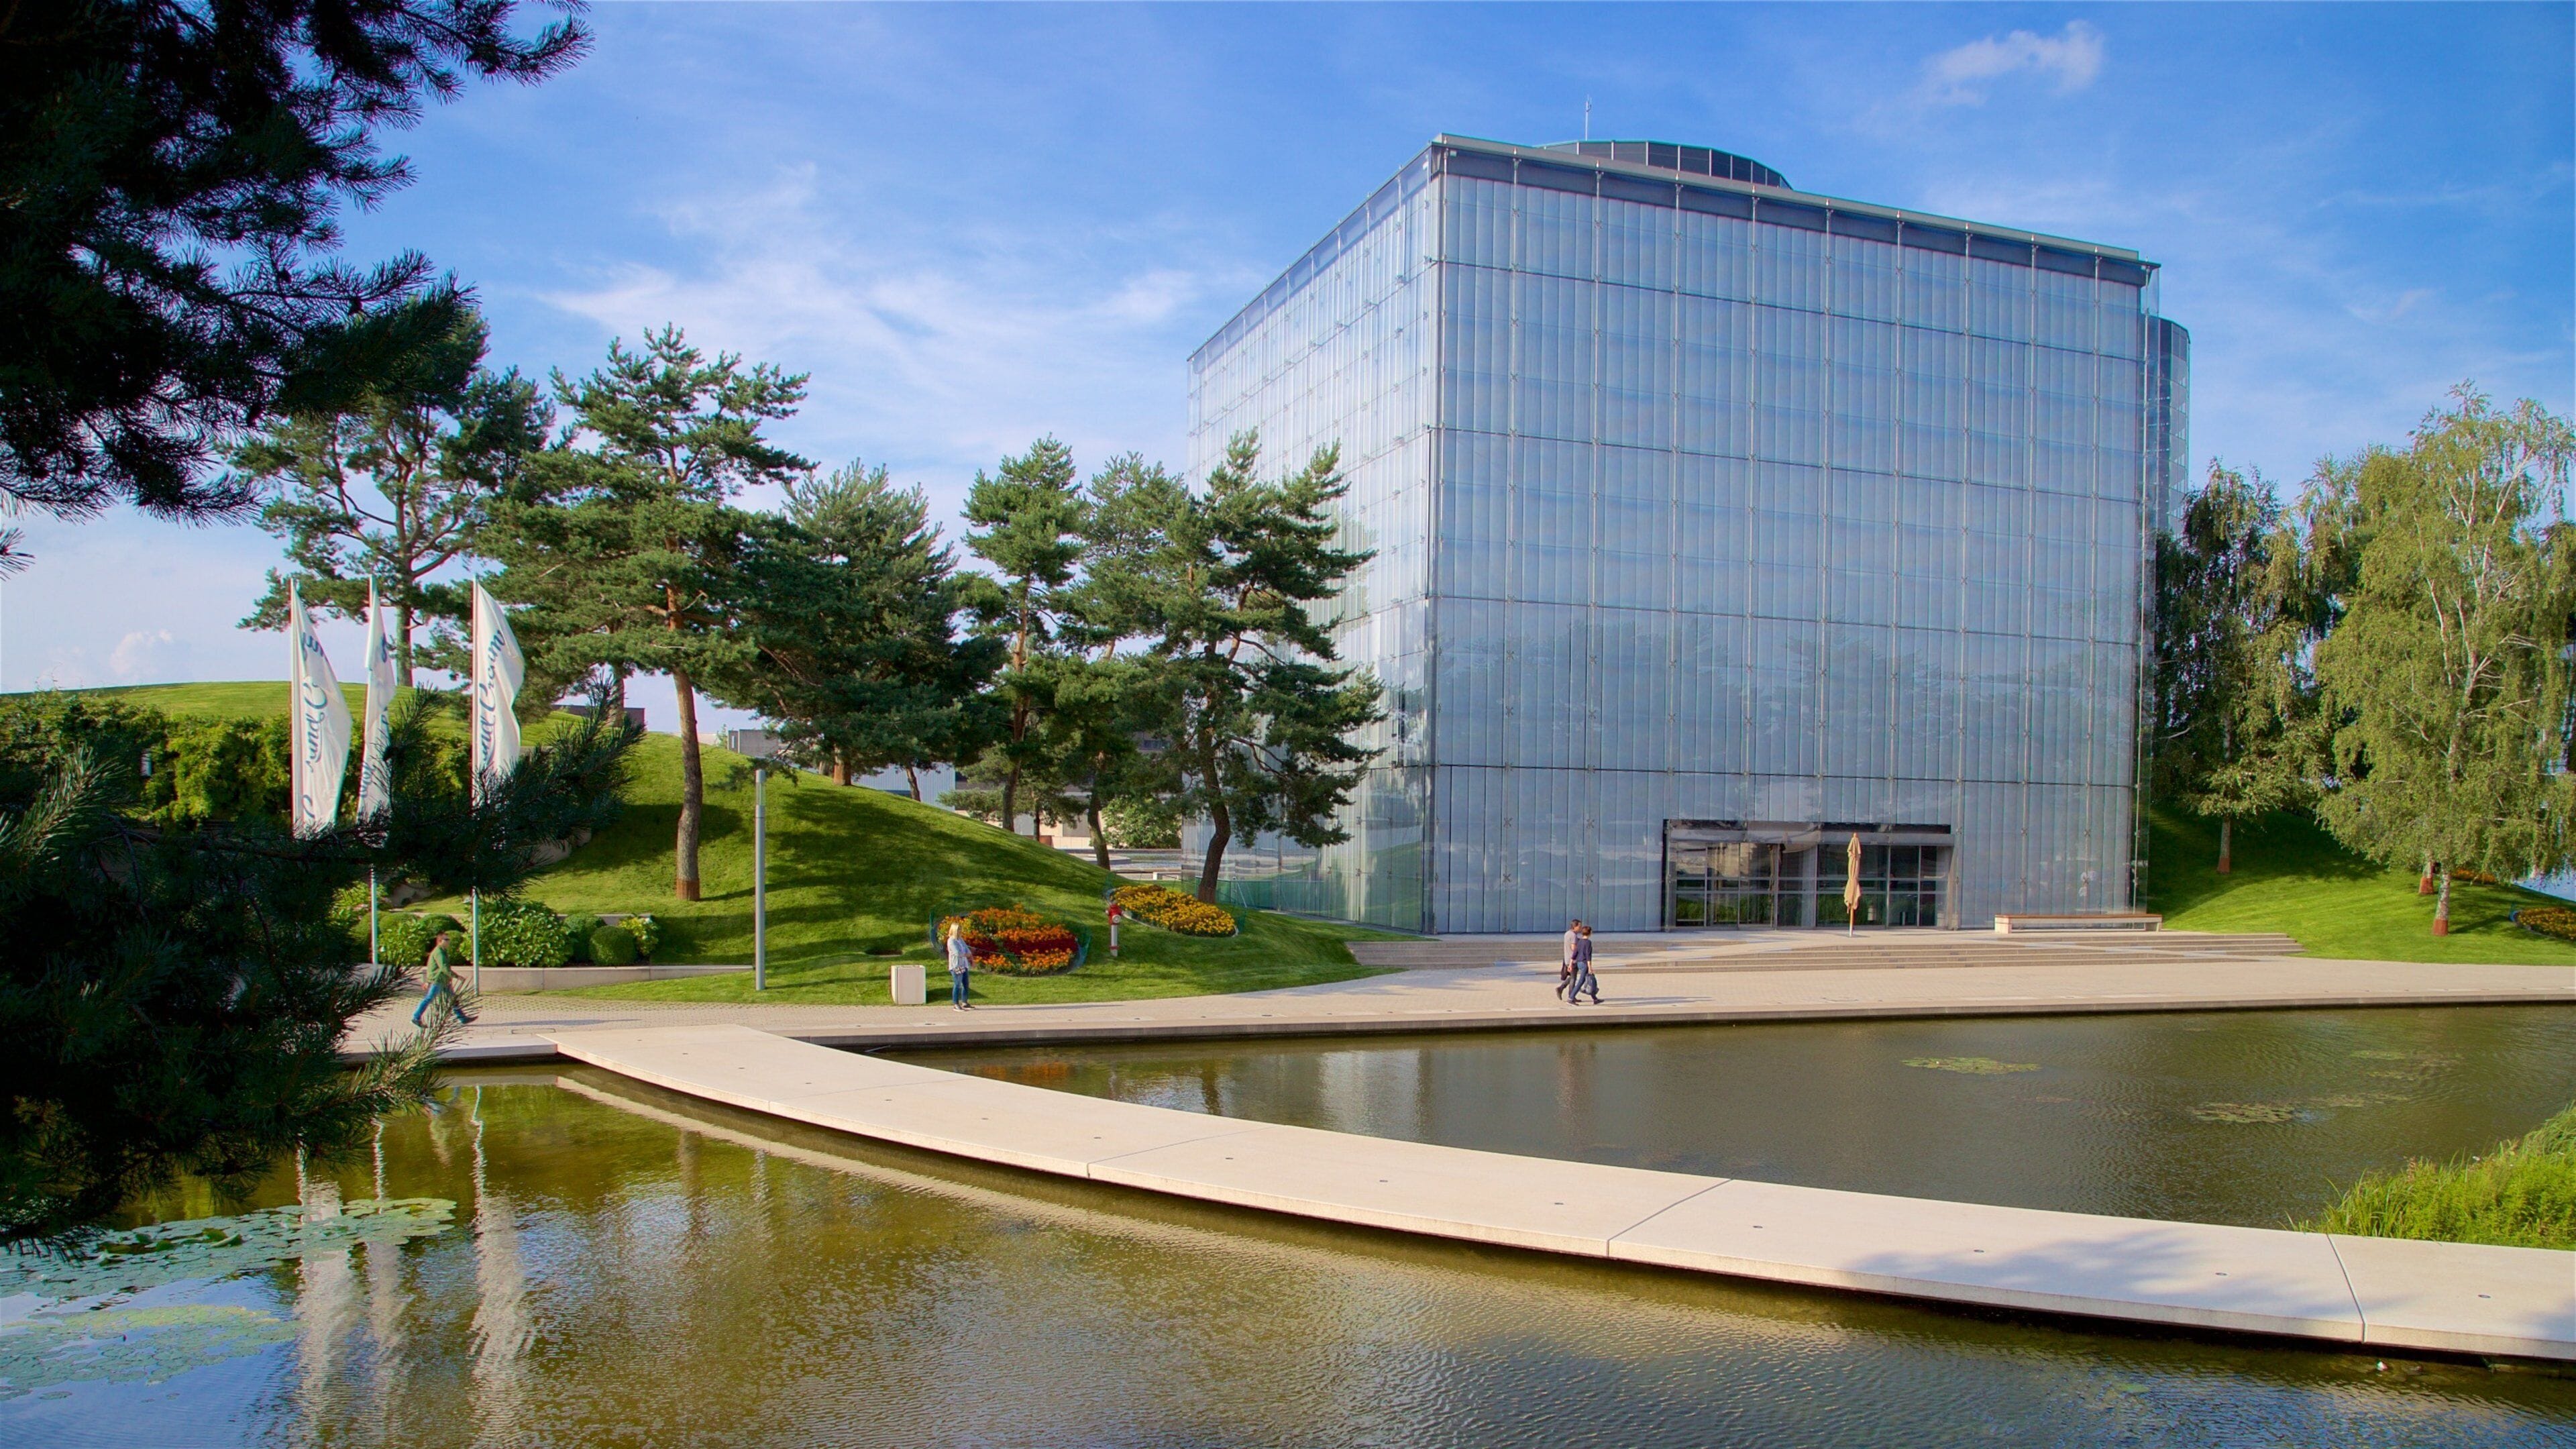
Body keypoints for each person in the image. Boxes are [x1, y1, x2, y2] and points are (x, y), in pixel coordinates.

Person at [411, 930, 475, 1026]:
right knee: (429, 999)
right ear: (440, 941)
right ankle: (416, 1017)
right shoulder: (439, 952)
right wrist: (456, 976)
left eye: (449, 939)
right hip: (438, 980)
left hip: (444, 980)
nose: (449, 941)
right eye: (446, 939)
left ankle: (462, 1018)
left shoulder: (442, 951)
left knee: (452, 999)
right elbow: (444, 967)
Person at [1567, 923, 1601, 1005]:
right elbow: (1588, 955)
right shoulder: (1588, 943)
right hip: (1585, 963)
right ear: (1590, 933)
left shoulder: (1579, 941)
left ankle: (1595, 999)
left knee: (1590, 979)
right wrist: (1590, 967)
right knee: (1582, 981)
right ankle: (1571, 998)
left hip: (1579, 962)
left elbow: (1575, 953)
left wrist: (1570, 964)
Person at [945, 921, 974, 1010]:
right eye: (958, 930)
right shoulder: (951, 941)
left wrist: (970, 956)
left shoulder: (960, 940)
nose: (960, 931)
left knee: (966, 984)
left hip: (964, 965)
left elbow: (966, 949)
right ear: (954, 930)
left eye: (960, 930)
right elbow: (957, 953)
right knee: (958, 984)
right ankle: (955, 1003)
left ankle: (965, 1002)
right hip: (956, 966)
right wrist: (966, 955)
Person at [1556, 918, 1581, 999]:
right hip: (1572, 960)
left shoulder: (1567, 934)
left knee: (1572, 977)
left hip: (1567, 958)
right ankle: (1571, 996)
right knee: (1573, 979)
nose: (1580, 928)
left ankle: (1561, 988)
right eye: (1579, 926)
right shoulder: (1573, 935)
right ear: (1575, 926)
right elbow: (1574, 948)